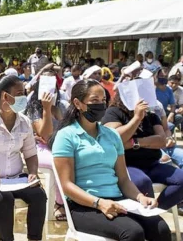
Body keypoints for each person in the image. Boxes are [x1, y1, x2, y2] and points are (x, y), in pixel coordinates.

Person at [52, 79, 171, 241]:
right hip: (83, 206)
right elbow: (66, 185)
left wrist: (140, 197)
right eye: (94, 100)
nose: (100, 105)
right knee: (133, 233)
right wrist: (99, 203)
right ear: (77, 103)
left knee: (161, 229)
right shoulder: (66, 136)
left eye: (103, 101)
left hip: (118, 200)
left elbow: (123, 179)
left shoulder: (112, 135)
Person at [0, 75, 47, 241]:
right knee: (4, 199)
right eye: (20, 93)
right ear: (5, 96)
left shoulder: (24, 122)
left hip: (16, 179)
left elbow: (30, 153)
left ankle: (34, 238)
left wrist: (33, 173)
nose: (24, 97)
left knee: (39, 195)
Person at [102, 90, 183, 211]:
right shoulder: (113, 112)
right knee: (142, 183)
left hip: (153, 164)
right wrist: (137, 118)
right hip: (126, 166)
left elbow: (161, 141)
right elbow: (115, 139)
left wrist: (135, 142)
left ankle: (154, 211)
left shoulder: (151, 115)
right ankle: (147, 218)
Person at [25, 75, 68, 221]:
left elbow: (68, 130)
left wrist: (59, 115)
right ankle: (59, 203)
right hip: (40, 148)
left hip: (60, 145)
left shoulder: (62, 106)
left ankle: (73, 199)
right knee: (58, 161)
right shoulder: (33, 109)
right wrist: (46, 110)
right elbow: (45, 134)